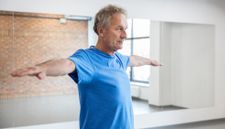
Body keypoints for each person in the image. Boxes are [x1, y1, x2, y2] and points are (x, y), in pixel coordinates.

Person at [11, 4, 162, 129]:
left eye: (125, 29)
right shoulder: (87, 58)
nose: (124, 35)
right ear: (101, 30)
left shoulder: (118, 59)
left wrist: (150, 61)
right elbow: (67, 63)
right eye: (119, 29)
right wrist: (43, 67)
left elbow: (134, 60)